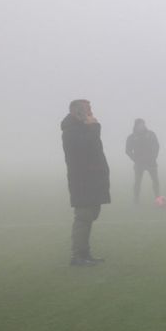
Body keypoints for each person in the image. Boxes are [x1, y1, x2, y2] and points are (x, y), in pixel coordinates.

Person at [61, 99, 110, 266]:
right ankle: (78, 256)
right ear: (77, 112)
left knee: (90, 216)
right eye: (88, 110)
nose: (91, 113)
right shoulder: (71, 131)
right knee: (83, 217)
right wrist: (94, 126)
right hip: (82, 181)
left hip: (91, 179)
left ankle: (85, 253)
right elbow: (86, 146)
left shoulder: (81, 129)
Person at [125, 118, 160, 204]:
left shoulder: (151, 134)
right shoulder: (131, 137)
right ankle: (136, 199)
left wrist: (154, 156)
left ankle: (158, 198)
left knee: (155, 181)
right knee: (137, 182)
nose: (142, 126)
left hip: (151, 162)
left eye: (143, 124)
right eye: (139, 125)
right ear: (136, 126)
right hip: (139, 164)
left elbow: (156, 146)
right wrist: (135, 159)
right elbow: (128, 150)